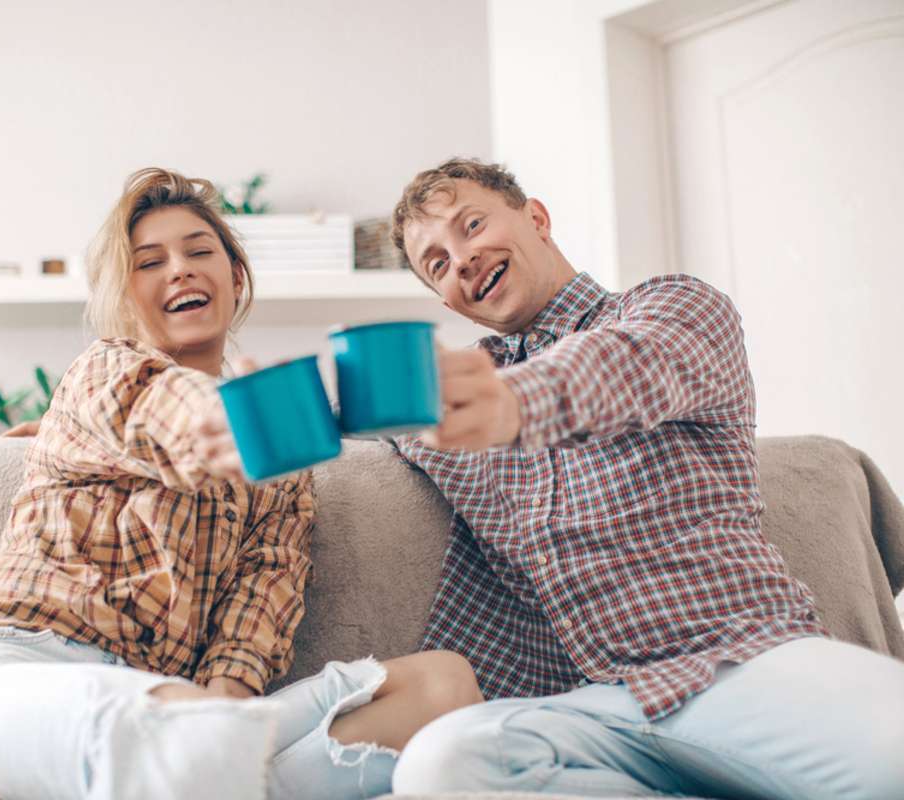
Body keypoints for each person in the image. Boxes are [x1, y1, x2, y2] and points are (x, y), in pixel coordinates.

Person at [0, 167, 482, 800]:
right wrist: (252, 414)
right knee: (176, 733)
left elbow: (250, 630)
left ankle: (197, 769)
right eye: (150, 262)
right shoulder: (101, 374)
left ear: (235, 277)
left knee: (441, 687)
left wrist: (219, 719)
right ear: (125, 298)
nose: (179, 269)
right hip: (14, 669)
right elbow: (170, 411)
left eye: (199, 252)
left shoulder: (286, 481)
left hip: (175, 716)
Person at [382, 157, 904, 799]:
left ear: (537, 219)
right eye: (437, 262)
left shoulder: (674, 308)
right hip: (595, 712)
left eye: (471, 225)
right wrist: (227, 410)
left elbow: (625, 366)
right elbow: (336, 414)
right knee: (444, 762)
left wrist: (506, 402)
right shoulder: (447, 395)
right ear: (445, 298)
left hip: (740, 663)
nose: (460, 258)